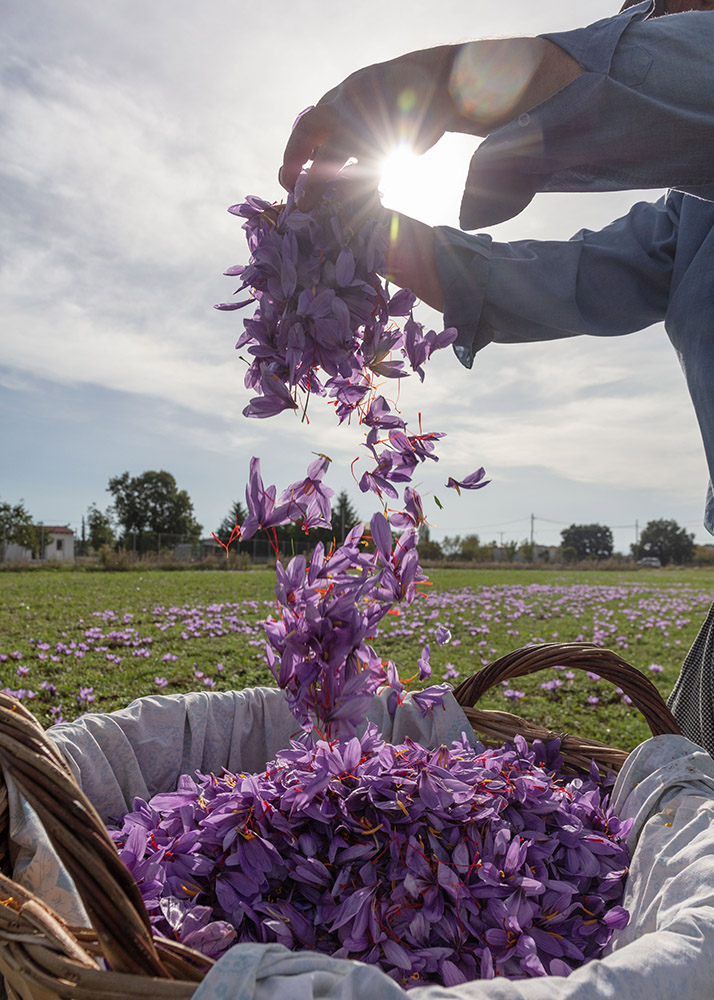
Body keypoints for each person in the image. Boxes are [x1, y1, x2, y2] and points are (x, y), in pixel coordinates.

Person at [279, 0, 714, 754]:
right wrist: (362, 233)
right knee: (686, 810)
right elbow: (552, 279)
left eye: (663, 13)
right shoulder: (691, 218)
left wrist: (412, 88)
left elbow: (627, 74)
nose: (659, 23)